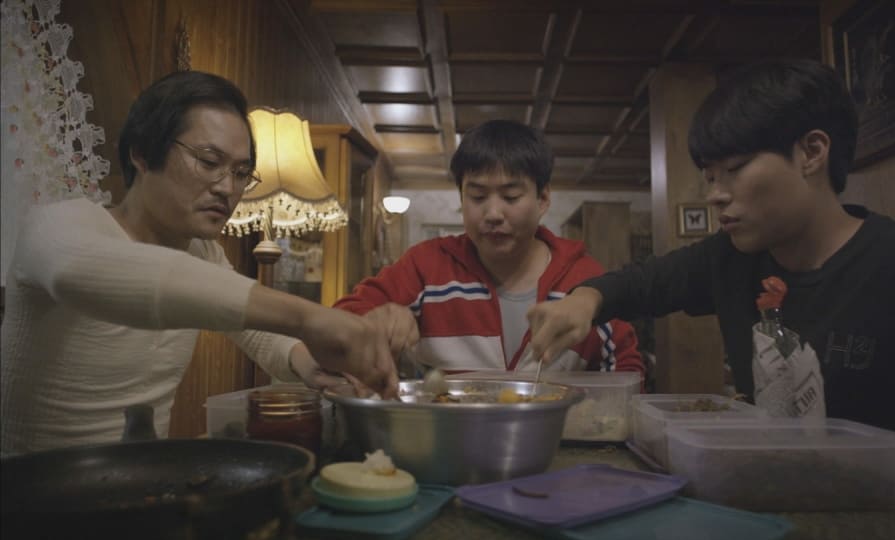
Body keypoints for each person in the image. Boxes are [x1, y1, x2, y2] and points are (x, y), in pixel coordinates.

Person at [526, 59, 895, 519]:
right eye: (711, 176)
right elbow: (640, 284)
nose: (715, 194)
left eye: (734, 168)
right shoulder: (729, 259)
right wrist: (584, 300)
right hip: (769, 508)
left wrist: (814, 463)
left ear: (811, 152)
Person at [0, 70, 401, 456]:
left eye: (241, 172)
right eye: (209, 162)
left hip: (139, 483)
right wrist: (310, 318)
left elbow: (258, 334)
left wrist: (310, 362)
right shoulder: (57, 225)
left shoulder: (202, 252)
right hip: (30, 490)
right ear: (141, 152)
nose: (228, 188)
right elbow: (94, 273)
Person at [335, 119, 644, 376]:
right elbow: (343, 320)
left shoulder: (583, 277)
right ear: (461, 198)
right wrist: (379, 320)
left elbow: (624, 368)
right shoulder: (426, 266)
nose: (493, 213)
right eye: (478, 197)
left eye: (511, 197)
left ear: (543, 200)